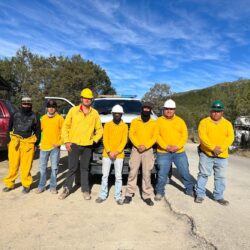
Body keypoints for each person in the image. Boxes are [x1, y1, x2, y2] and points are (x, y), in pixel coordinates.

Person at [59, 88, 103, 200]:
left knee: (85, 168)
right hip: (73, 144)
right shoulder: (73, 111)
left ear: (91, 100)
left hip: (88, 146)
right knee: (72, 168)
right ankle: (66, 189)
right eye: (85, 98)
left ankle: (85, 190)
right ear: (81, 99)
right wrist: (67, 141)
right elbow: (65, 127)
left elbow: (100, 129)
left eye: (89, 98)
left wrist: (94, 140)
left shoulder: (95, 113)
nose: (87, 100)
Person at [195, 100, 234, 206]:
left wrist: (220, 149)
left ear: (222, 112)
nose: (216, 113)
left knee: (220, 177)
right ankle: (200, 194)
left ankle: (218, 196)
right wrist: (212, 148)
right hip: (206, 154)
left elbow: (230, 137)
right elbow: (203, 136)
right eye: (214, 111)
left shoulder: (227, 124)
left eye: (218, 111)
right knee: (203, 175)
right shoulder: (204, 122)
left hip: (222, 155)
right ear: (210, 111)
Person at [155, 99, 194, 201]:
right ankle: (159, 192)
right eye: (167, 109)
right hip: (163, 152)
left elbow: (184, 135)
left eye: (171, 109)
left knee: (185, 171)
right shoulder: (158, 121)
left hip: (179, 152)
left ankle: (189, 189)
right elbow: (156, 135)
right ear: (164, 109)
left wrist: (177, 146)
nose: (169, 111)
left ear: (174, 110)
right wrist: (166, 146)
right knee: (162, 174)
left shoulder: (180, 121)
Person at [3, 97, 41, 194]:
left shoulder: (35, 116)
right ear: (21, 104)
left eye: (28, 104)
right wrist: (8, 141)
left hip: (28, 143)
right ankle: (9, 184)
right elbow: (9, 128)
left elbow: (37, 131)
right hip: (15, 142)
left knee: (26, 166)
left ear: (30, 105)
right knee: (13, 165)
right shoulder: (14, 114)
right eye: (24, 104)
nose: (26, 106)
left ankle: (26, 185)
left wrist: (36, 143)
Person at [124, 102, 158, 206]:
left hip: (148, 150)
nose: (146, 110)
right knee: (133, 172)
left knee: (147, 173)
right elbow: (131, 134)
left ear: (150, 110)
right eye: (145, 108)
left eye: (148, 108)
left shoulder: (154, 123)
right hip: (136, 149)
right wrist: (138, 145)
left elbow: (154, 136)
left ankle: (147, 195)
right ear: (142, 109)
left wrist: (145, 146)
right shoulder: (135, 121)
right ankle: (129, 194)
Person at [95, 104, 128, 205]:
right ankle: (102, 195)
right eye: (115, 113)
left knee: (118, 177)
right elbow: (105, 139)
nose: (117, 115)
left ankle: (118, 196)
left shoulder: (125, 126)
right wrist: (109, 151)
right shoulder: (107, 125)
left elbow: (124, 141)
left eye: (119, 113)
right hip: (107, 154)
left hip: (119, 155)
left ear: (121, 114)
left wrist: (117, 152)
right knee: (105, 175)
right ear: (112, 114)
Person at [35, 100, 64, 194]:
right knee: (42, 168)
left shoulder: (60, 118)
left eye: (53, 107)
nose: (51, 108)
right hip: (44, 147)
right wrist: (38, 143)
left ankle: (53, 187)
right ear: (47, 108)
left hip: (55, 148)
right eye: (49, 106)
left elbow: (64, 133)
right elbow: (39, 132)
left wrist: (59, 143)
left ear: (56, 108)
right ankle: (41, 186)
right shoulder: (42, 118)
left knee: (54, 168)